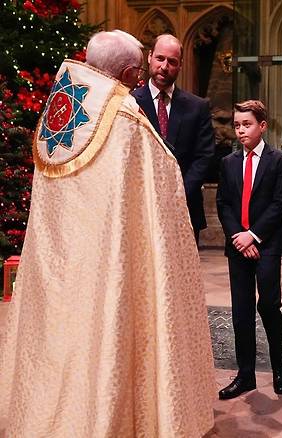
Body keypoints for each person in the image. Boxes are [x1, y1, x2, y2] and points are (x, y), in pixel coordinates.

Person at [0, 31, 215, 437]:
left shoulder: (61, 108)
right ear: (134, 71)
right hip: (106, 261)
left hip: (58, 258)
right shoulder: (124, 120)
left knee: (62, 338)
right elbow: (161, 187)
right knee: (103, 335)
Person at [216, 100, 282, 399]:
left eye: (246, 124)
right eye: (236, 125)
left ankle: (279, 367)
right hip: (238, 246)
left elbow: (279, 203)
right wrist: (238, 236)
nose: (240, 130)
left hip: (266, 244)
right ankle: (245, 375)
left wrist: (253, 236)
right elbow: (223, 203)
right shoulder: (228, 163)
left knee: (269, 306)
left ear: (262, 125)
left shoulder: (278, 160)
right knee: (240, 312)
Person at [133, 34, 214, 244]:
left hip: (185, 207)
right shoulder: (129, 103)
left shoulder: (198, 107)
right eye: (160, 58)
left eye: (172, 62)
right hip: (141, 206)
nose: (164, 66)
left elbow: (204, 156)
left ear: (180, 66)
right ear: (149, 57)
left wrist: (179, 194)